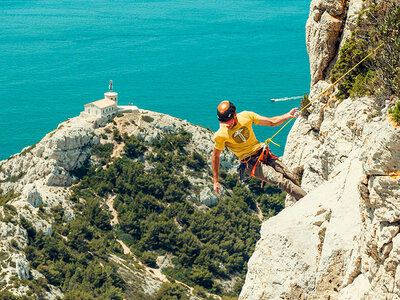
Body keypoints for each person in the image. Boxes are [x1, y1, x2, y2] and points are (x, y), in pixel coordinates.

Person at [212, 100, 307, 201]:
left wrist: (288, 115)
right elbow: (215, 157)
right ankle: (309, 199)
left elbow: (272, 122)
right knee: (281, 181)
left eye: (228, 122)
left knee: (289, 176)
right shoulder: (220, 135)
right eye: (223, 123)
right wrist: (216, 181)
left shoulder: (246, 116)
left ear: (234, 115)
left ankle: (302, 200)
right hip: (252, 163)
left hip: (263, 152)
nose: (226, 125)